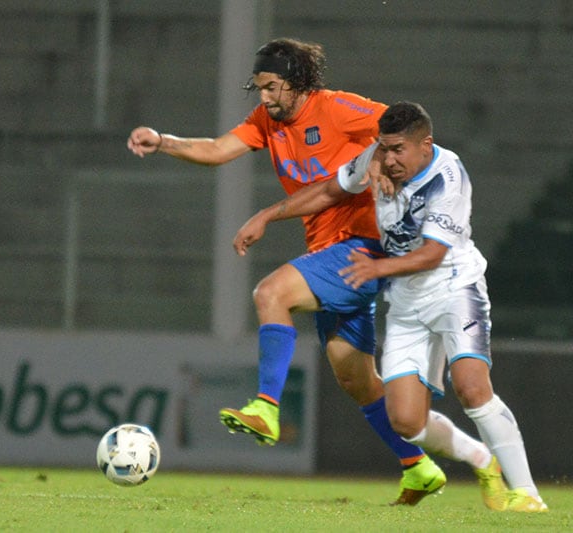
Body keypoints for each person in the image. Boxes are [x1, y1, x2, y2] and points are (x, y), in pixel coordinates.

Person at [127, 38, 446, 506]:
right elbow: (217, 150)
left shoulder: (337, 109)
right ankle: (418, 466)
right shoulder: (266, 122)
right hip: (330, 252)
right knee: (356, 381)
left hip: (363, 245)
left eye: (273, 87)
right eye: (260, 88)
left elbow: (402, 129)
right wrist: (163, 142)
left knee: (270, 293)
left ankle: (267, 406)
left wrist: (385, 162)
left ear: (298, 83)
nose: (265, 97)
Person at [236, 101, 547, 512]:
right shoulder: (376, 159)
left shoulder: (447, 176)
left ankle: (526, 492)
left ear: (425, 145)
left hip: (454, 289)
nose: (389, 158)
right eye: (383, 148)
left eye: (398, 149)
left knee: (471, 387)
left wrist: (376, 266)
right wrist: (267, 214)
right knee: (406, 421)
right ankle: (481, 459)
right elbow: (331, 189)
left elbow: (434, 254)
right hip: (406, 302)